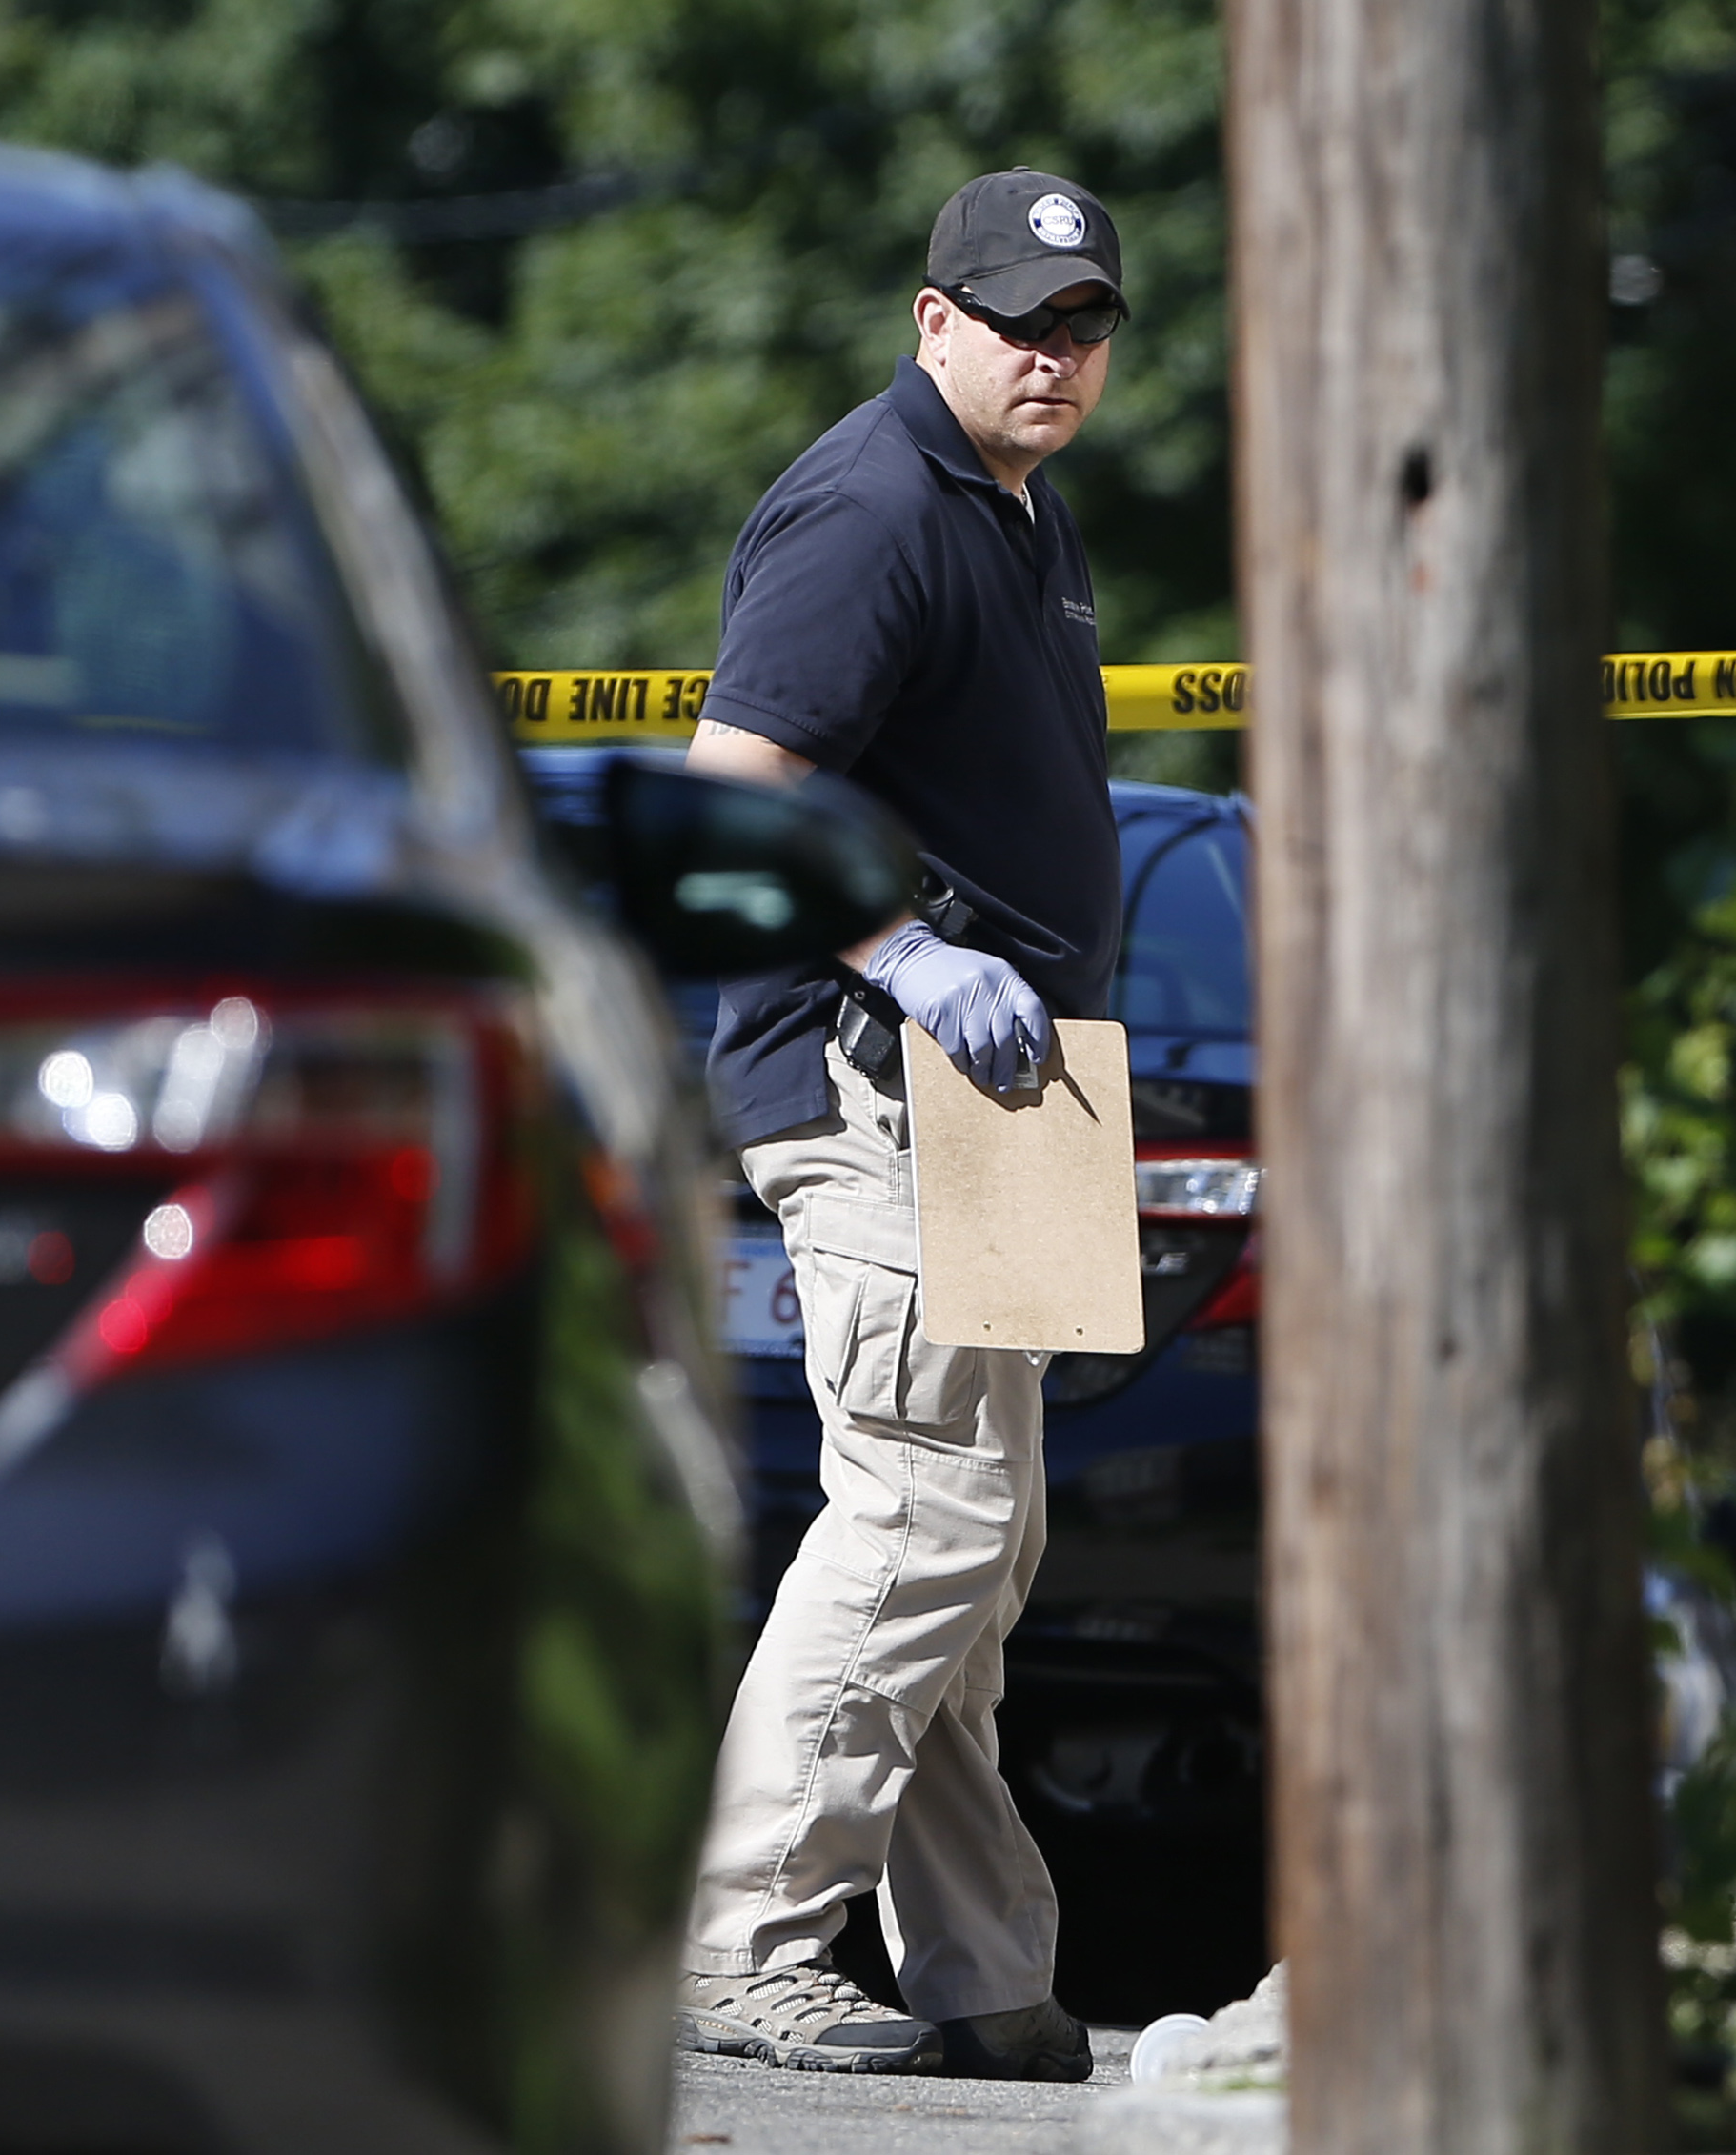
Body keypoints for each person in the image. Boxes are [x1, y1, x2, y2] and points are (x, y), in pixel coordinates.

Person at [672, 167, 1131, 2074]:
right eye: (1018, 321)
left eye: (1083, 326)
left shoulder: (1019, 509)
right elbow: (732, 786)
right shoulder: (872, 505)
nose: (1055, 357)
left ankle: (982, 1975)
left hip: (1009, 1097)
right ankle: (738, 1939)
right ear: (932, 319)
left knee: (975, 1547)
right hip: (875, 1072)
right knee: (924, 1508)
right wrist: (905, 950)